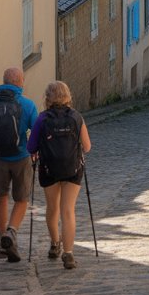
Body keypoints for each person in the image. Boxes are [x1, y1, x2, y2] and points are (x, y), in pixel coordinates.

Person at [27, 80, 92, 270]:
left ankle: (55, 244)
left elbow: (31, 147)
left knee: (52, 208)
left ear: (47, 98)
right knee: (68, 210)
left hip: (49, 170)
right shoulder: (76, 117)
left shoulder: (42, 119)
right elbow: (87, 147)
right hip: (73, 170)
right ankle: (69, 253)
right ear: (67, 96)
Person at [0, 66, 38, 263]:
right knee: (22, 199)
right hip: (21, 157)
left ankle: (1, 239)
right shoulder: (28, 105)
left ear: (3, 81)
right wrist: (37, 155)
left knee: (1, 197)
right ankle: (11, 233)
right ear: (20, 82)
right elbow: (36, 135)